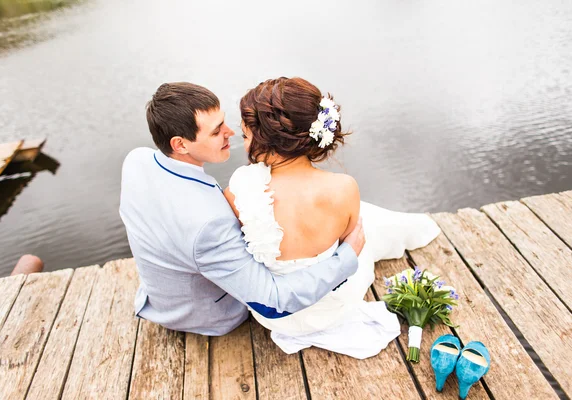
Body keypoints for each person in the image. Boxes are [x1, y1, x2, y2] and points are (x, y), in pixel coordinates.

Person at [119, 82, 366, 336]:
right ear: (180, 144)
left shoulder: (136, 160)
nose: (230, 133)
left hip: (161, 294)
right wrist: (347, 256)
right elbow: (272, 301)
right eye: (216, 132)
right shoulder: (210, 222)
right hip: (210, 315)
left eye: (225, 123)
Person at [224, 77, 441, 358]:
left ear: (266, 139)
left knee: (361, 230)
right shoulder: (343, 188)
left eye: (245, 135)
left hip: (272, 315)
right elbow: (347, 245)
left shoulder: (238, 190)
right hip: (331, 310)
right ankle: (417, 229)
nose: (243, 142)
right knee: (362, 233)